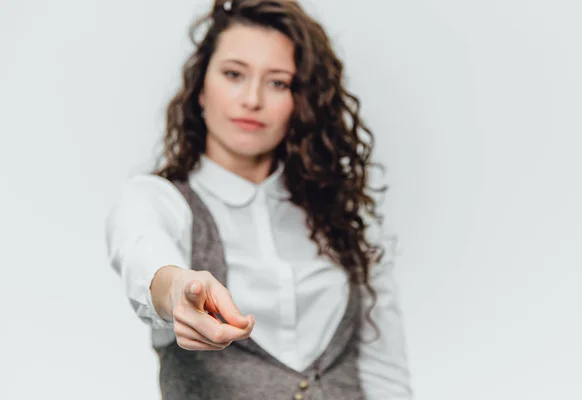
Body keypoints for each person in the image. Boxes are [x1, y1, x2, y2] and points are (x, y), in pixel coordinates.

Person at [105, 0, 412, 398]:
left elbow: (386, 376)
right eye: (234, 74)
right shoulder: (158, 200)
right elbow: (142, 252)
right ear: (201, 89)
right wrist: (178, 289)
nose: (252, 99)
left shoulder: (344, 220)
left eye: (278, 82)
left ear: (301, 101)